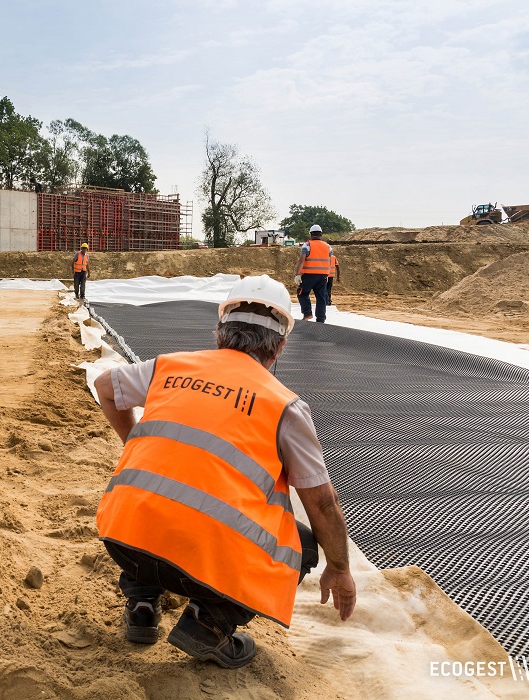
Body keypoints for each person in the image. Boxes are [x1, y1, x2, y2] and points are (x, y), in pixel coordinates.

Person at [93, 275, 357, 668]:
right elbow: (322, 503)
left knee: (158, 501)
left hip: (123, 540)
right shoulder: (285, 406)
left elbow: (105, 386)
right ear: (280, 345)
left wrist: (133, 441)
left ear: (219, 331)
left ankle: (143, 604)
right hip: (201, 562)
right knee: (302, 544)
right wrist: (340, 568)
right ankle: (207, 625)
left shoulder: (169, 367)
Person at [293, 224, 332, 322]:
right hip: (323, 275)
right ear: (321, 234)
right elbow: (329, 260)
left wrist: (298, 274)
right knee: (321, 297)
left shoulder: (307, 245)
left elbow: (301, 261)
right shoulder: (328, 247)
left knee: (302, 293)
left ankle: (307, 313)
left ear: (311, 234)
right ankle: (321, 319)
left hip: (309, 275)